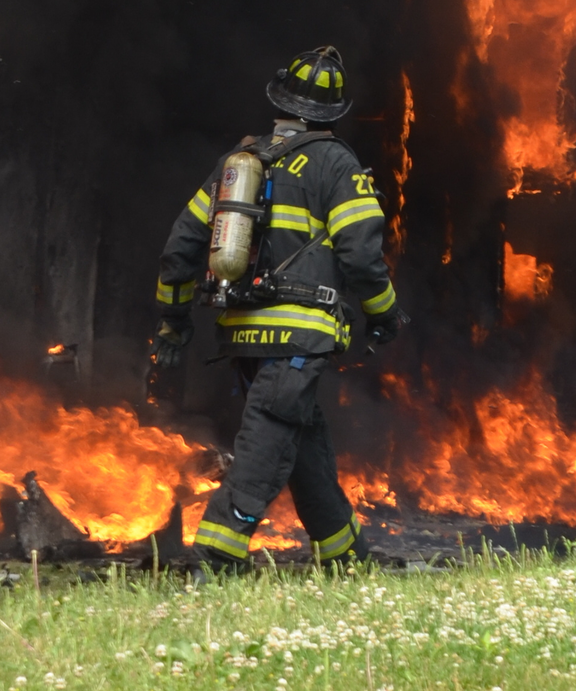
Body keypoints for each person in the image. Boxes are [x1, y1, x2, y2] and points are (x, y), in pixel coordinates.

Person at [147, 45, 400, 572]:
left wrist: (173, 324)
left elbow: (181, 246)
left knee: (301, 437)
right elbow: (361, 253)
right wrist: (384, 313)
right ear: (335, 111)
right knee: (269, 431)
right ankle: (219, 548)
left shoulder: (241, 163)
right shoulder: (336, 162)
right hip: (300, 334)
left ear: (282, 101)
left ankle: (346, 556)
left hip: (243, 331)